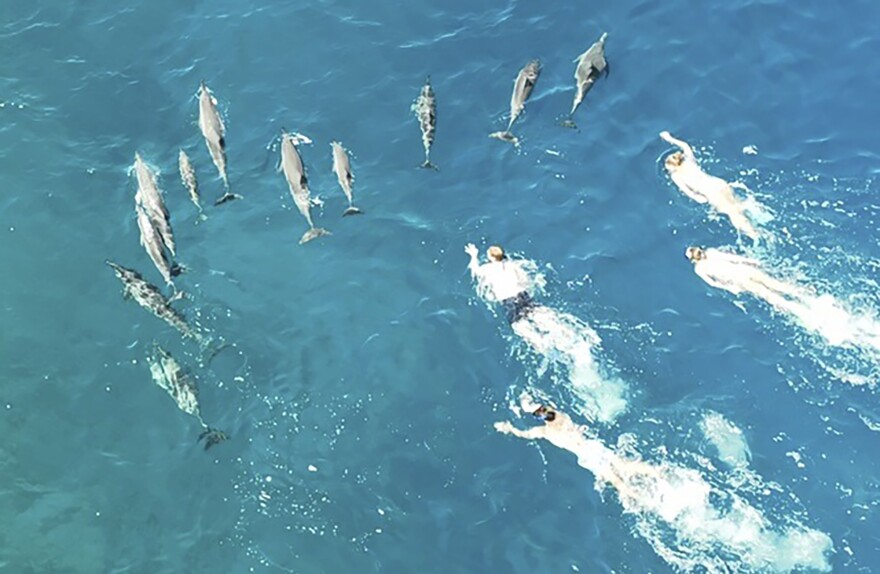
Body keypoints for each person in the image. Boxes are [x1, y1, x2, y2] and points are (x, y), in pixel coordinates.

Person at [660, 131, 760, 240]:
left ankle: (754, 235)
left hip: (711, 193)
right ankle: (757, 211)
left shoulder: (676, 176)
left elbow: (691, 194)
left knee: (733, 213)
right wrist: (669, 138)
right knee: (736, 203)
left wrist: (700, 198)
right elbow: (685, 146)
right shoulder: (688, 160)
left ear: (675, 167)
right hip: (719, 184)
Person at [465, 243, 541, 324]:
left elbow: (475, 271)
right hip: (522, 294)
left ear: (492, 258)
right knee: (538, 313)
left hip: (508, 300)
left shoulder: (487, 268)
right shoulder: (512, 265)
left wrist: (473, 255)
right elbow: (525, 279)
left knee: (519, 324)